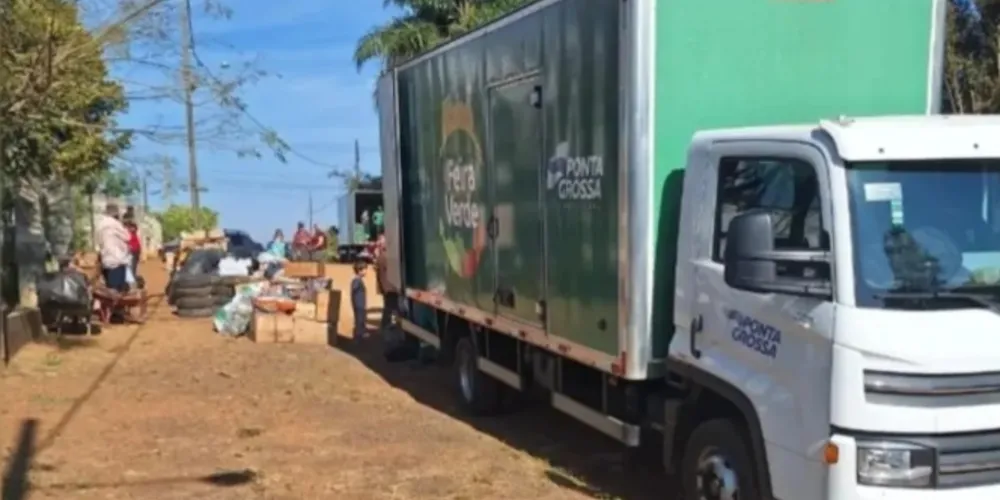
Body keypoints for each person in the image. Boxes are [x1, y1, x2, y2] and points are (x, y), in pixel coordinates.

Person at [96, 204, 130, 292]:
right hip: (117, 260)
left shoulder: (100, 224)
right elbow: (127, 237)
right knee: (118, 292)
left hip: (106, 259)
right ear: (116, 214)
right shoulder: (115, 223)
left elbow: (99, 242)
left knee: (109, 289)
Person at [351, 261, 368, 341]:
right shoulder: (356, 280)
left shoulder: (358, 280)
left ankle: (360, 335)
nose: (366, 271)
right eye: (365, 269)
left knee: (361, 320)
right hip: (359, 304)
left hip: (360, 304)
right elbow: (354, 290)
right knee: (359, 320)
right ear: (359, 270)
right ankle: (358, 337)